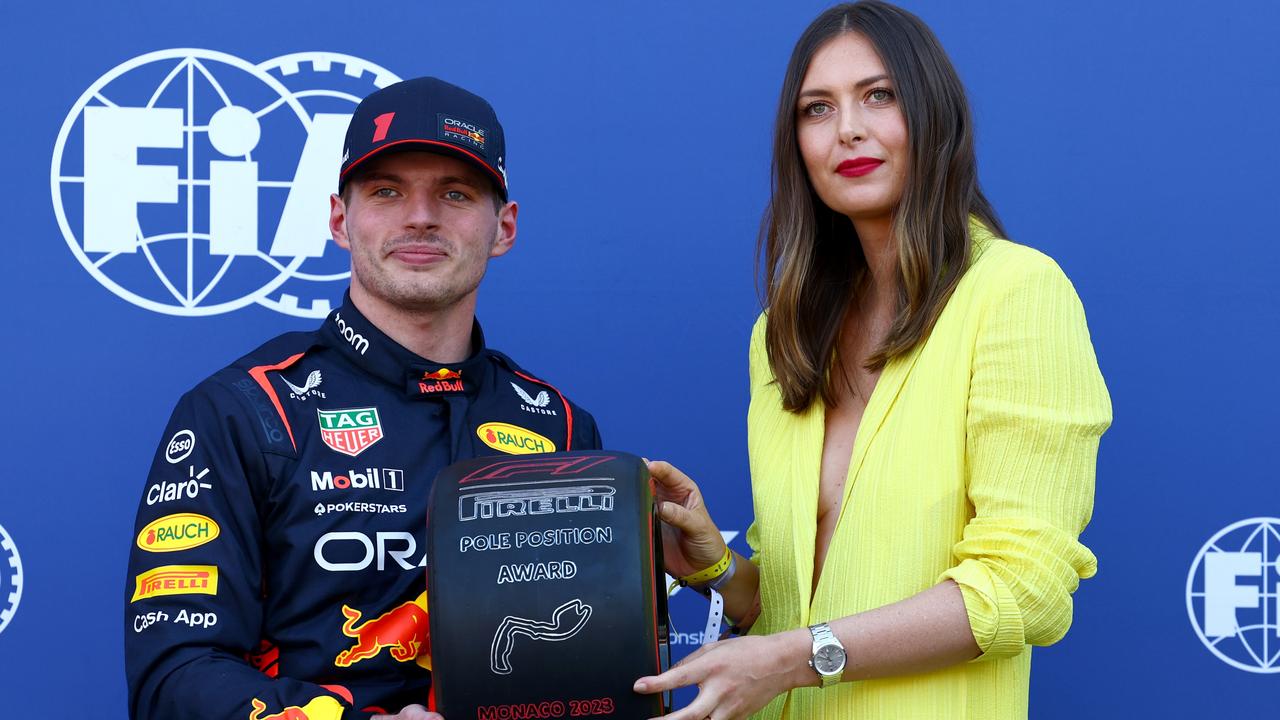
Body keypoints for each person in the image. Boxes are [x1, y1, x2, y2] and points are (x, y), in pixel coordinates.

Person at [634, 3, 1111, 719]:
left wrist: (792, 657)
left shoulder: (1016, 292)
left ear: (933, 114)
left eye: (878, 96)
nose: (848, 129)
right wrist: (717, 566)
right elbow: (794, 607)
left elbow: (1022, 588)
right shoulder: (782, 334)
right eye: (817, 109)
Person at [124, 76, 602, 720]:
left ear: (504, 227)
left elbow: (584, 661)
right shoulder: (243, 410)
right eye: (386, 191)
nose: (421, 216)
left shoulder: (562, 427)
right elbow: (175, 677)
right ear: (340, 220)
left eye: (455, 194)